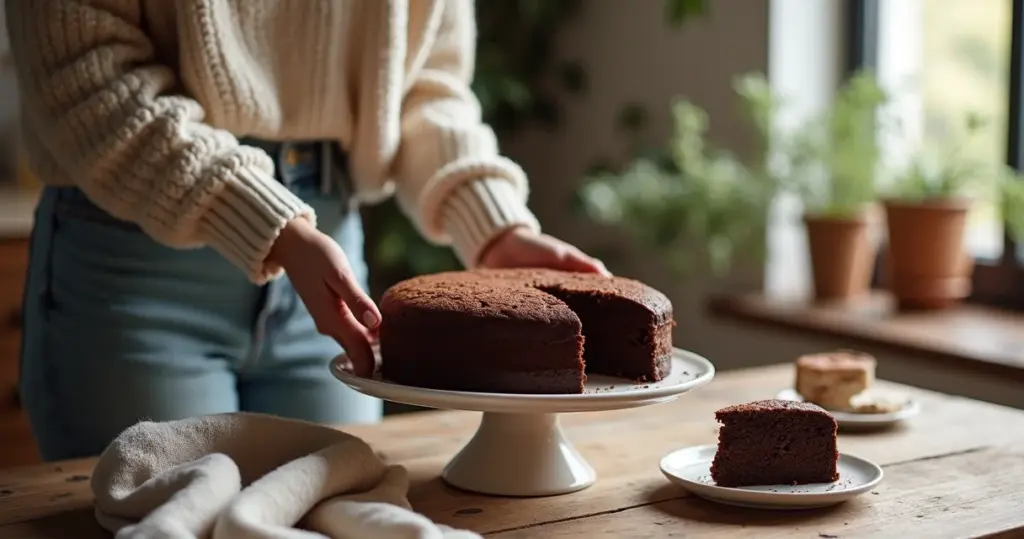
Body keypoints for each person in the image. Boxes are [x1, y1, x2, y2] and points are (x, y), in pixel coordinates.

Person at [5, 0, 609, 461]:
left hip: (329, 266)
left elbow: (427, 83)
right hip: (136, 260)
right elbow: (84, 75)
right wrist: (272, 225)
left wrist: (492, 224)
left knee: (334, 513)